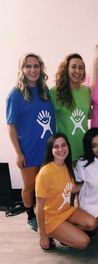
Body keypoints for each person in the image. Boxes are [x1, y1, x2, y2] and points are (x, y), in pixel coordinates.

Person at [6, 53, 55, 232]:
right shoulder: (15, 94)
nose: (33, 70)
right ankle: (30, 216)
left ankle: (47, 215)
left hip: (48, 149)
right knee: (30, 186)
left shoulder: (45, 91)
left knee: (47, 186)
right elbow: (10, 126)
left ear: (41, 68)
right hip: (28, 149)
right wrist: (19, 153)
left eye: (36, 66)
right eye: (28, 66)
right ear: (22, 69)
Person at [35, 133, 97, 250]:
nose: (61, 149)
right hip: (51, 218)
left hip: (66, 211)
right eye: (56, 147)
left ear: (68, 147)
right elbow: (39, 207)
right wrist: (43, 235)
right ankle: (50, 233)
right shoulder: (45, 173)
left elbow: (72, 188)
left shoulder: (66, 166)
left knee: (92, 223)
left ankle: (65, 235)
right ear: (50, 150)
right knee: (84, 242)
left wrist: (90, 182)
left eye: (63, 145)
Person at [50, 53, 90, 164]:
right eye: (73, 67)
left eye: (81, 68)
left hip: (84, 148)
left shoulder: (86, 91)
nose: (77, 71)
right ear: (66, 69)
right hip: (64, 151)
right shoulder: (54, 92)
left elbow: (89, 114)